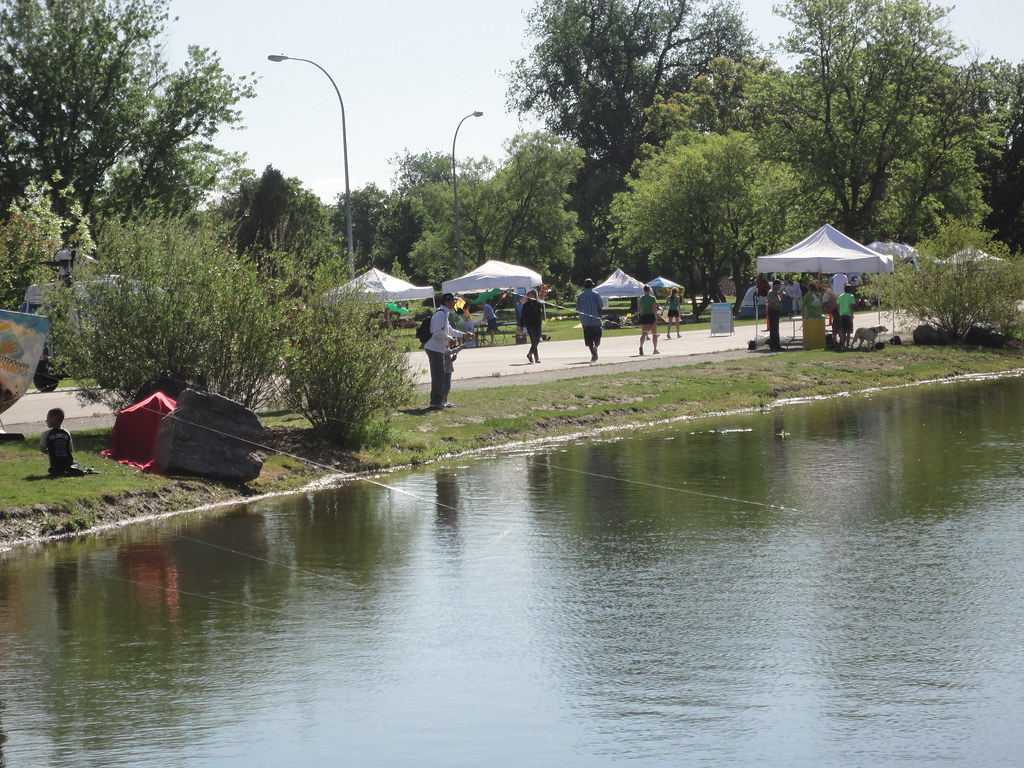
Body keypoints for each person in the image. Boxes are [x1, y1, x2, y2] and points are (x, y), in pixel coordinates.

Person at [424, 293, 473, 409]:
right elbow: (437, 331)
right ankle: (436, 402)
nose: (455, 303)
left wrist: (463, 335)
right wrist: (449, 339)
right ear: (447, 301)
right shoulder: (441, 314)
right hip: (434, 348)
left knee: (440, 376)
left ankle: (439, 401)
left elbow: (448, 330)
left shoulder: (444, 313)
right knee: (438, 376)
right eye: (453, 301)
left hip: (438, 348)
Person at [39, 407, 83, 476]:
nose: (46, 420)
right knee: (74, 463)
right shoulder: (67, 433)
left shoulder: (47, 434)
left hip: (55, 463)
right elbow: (70, 450)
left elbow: (42, 449)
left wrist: (51, 451)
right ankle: (72, 468)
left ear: (54, 418)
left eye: (48, 418)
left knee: (55, 467)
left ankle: (56, 470)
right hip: (67, 461)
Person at [575, 278, 603, 362]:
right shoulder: (596, 294)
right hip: (595, 320)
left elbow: (578, 308)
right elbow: (600, 307)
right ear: (591, 286)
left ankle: (592, 352)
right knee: (597, 337)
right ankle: (596, 347)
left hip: (585, 321)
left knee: (588, 338)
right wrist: (599, 316)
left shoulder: (580, 296)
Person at [519, 289, 544, 363]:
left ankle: (530, 354)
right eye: (530, 295)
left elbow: (539, 315)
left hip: (537, 324)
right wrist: (521, 326)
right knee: (533, 340)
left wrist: (540, 324)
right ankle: (536, 358)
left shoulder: (538, 304)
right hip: (529, 324)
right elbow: (522, 316)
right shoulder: (526, 305)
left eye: (533, 295)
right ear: (528, 296)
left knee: (537, 340)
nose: (532, 296)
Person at [637, 284, 660, 355]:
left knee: (644, 333)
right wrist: (656, 318)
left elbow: (640, 309)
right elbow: (654, 309)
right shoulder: (652, 298)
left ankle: (641, 346)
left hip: (644, 316)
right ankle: (655, 349)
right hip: (651, 316)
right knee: (654, 333)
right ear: (649, 290)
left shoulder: (641, 298)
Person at [766, 279, 786, 351]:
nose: (780, 286)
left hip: (774, 311)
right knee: (774, 329)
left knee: (775, 329)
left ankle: (775, 345)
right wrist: (782, 295)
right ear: (775, 285)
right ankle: (775, 346)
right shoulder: (773, 293)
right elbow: (776, 302)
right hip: (773, 311)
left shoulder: (775, 292)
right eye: (779, 285)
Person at [836, 283, 857, 349]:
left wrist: (839, 312)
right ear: (850, 290)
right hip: (848, 314)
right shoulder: (851, 296)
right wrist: (852, 315)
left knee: (843, 330)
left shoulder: (841, 296)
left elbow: (838, 305)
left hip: (842, 314)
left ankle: (843, 345)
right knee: (848, 331)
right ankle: (847, 345)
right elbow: (851, 306)